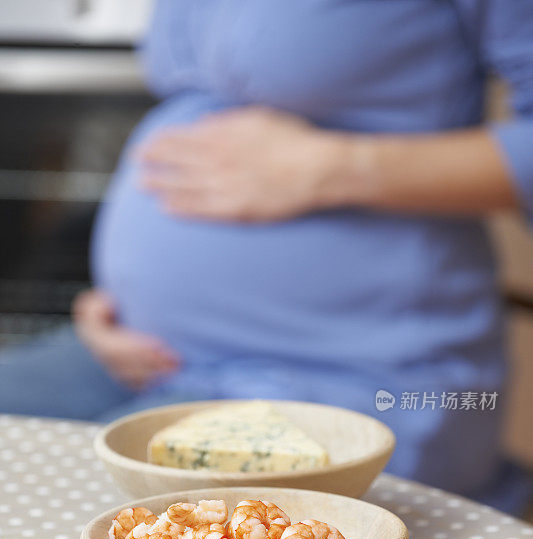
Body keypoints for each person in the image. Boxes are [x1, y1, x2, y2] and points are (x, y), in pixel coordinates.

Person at [1, 0, 532, 512]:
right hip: (146, 354)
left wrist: (335, 168)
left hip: (349, 375)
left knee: (62, 517)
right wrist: (122, 297)